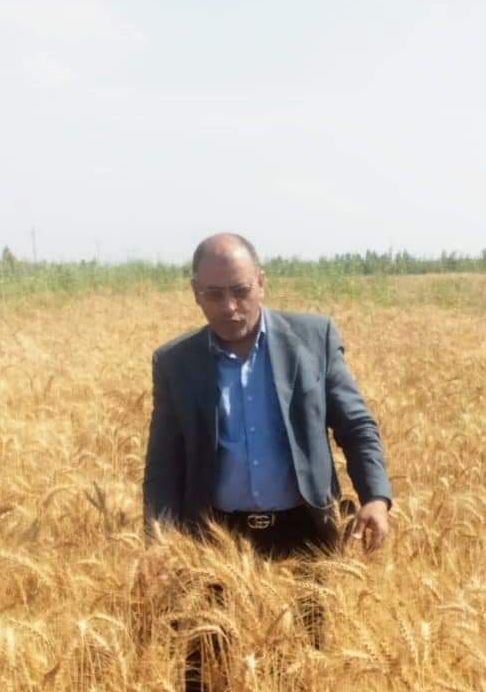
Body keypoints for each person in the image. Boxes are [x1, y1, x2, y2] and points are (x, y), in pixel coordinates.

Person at [143, 232, 391, 556]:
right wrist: (159, 541)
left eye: (241, 291)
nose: (230, 306)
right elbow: (163, 467)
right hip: (215, 543)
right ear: (195, 293)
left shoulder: (314, 339)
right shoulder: (175, 363)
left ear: (261, 283)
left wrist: (375, 497)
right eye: (214, 294)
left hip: (308, 532)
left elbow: (356, 426)